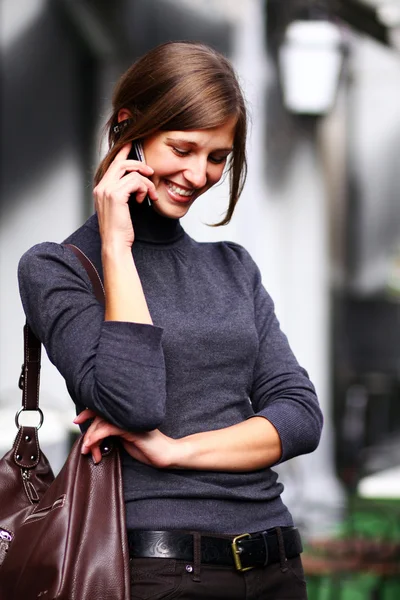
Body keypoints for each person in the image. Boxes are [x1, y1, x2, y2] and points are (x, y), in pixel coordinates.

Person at [18, 41, 323, 599]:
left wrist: (175, 450)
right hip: (159, 570)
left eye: (217, 157)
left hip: (276, 559)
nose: (198, 174)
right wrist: (116, 242)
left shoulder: (232, 267)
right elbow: (134, 400)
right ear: (129, 128)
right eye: (182, 148)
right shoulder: (57, 268)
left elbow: (300, 417)